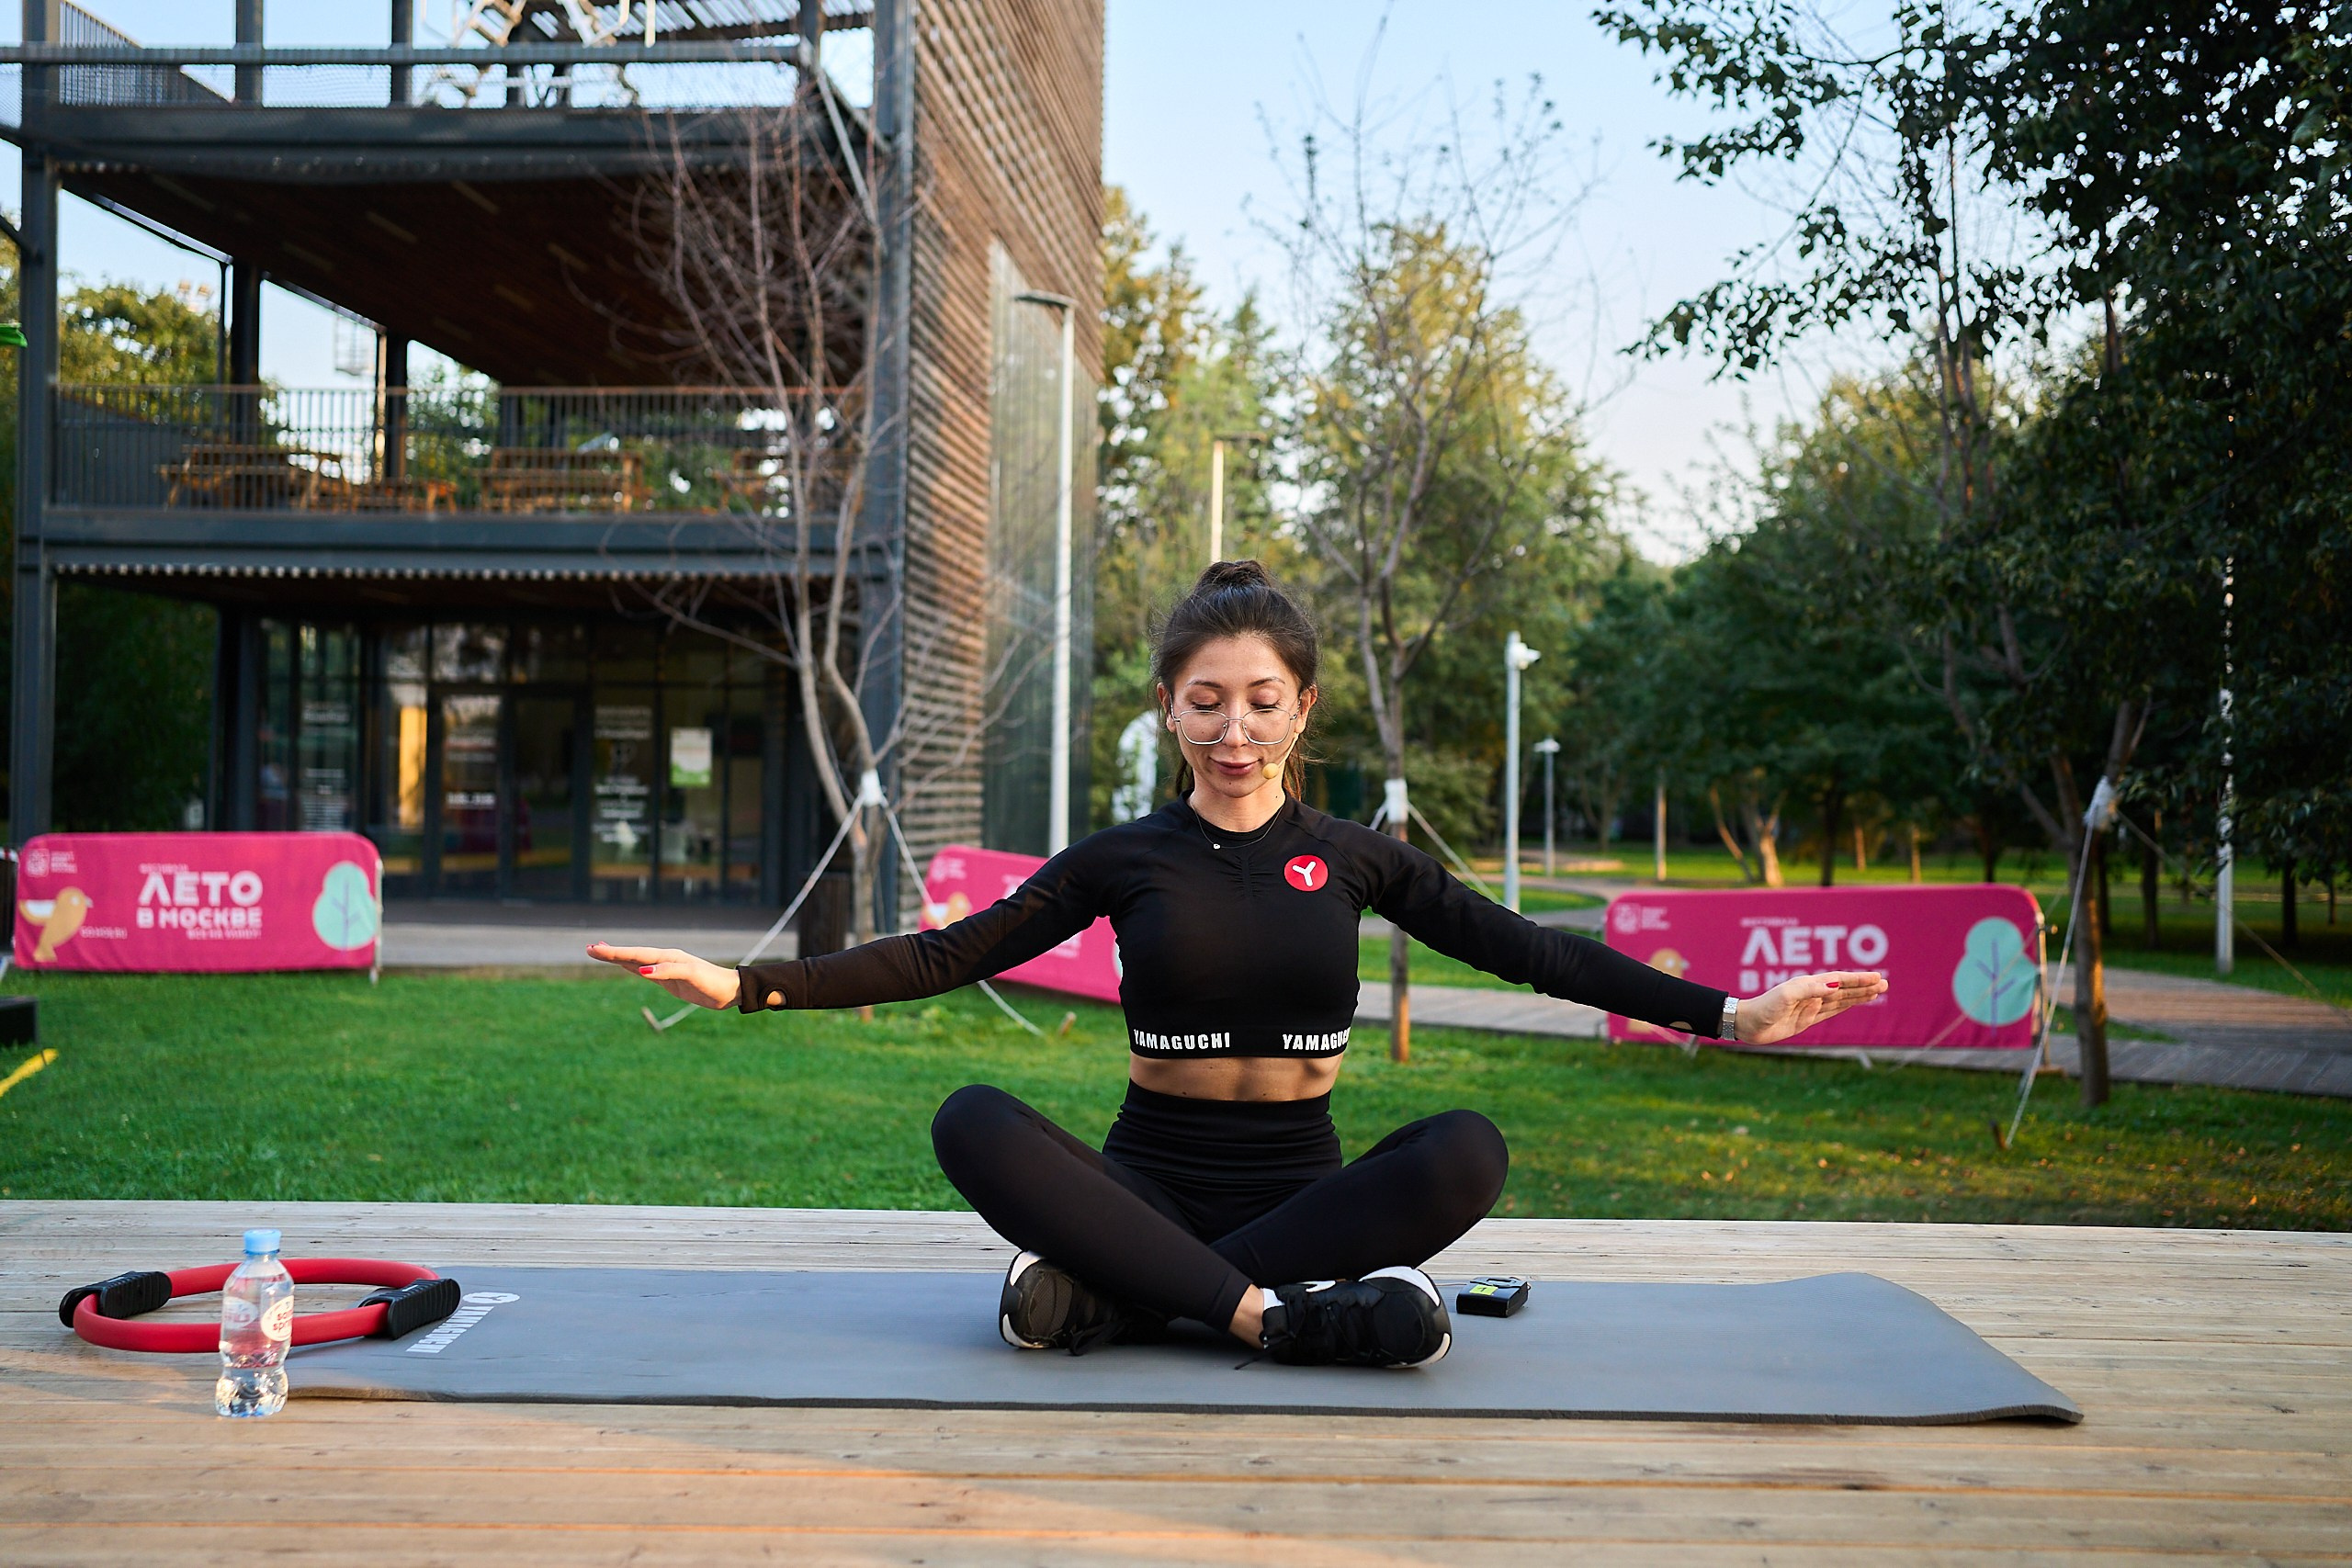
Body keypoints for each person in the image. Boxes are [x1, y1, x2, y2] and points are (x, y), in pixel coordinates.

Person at [593, 561, 1888, 1368]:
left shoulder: (1362, 857)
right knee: (972, 1116)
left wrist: (1732, 1011)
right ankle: (1275, 1319)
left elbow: (1533, 952)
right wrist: (745, 983)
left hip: (1305, 1195)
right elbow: (949, 951)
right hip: (1147, 1181)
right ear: (1169, 706)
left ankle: (1124, 1305)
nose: (1235, 727)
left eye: (1262, 698)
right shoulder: (1122, 860)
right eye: (1207, 699)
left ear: (1302, 708)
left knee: (1467, 1147)